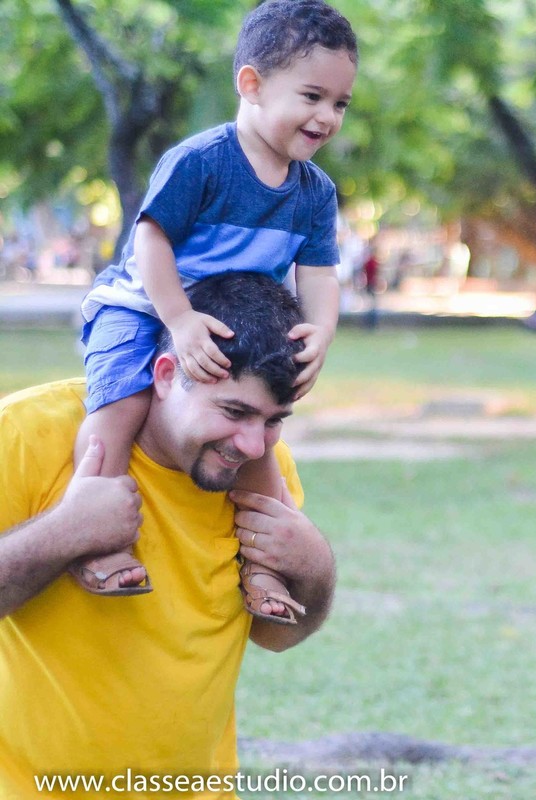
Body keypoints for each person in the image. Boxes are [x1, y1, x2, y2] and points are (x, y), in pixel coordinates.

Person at [71, 0, 356, 622]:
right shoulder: (203, 160)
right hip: (146, 305)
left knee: (255, 438)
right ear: (251, 84)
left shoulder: (314, 192)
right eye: (311, 96)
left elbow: (318, 271)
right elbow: (151, 239)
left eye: (339, 103)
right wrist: (176, 320)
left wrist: (323, 329)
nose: (326, 117)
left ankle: (262, 568)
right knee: (119, 407)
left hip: (231, 318)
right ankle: (95, 535)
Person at [0, 271, 335, 797]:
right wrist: (64, 533)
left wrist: (315, 570)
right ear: (164, 373)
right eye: (234, 411)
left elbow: (276, 635)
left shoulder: (260, 468)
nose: (252, 443)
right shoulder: (24, 435)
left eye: (275, 420)